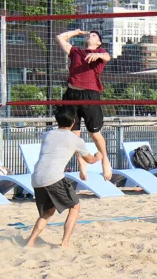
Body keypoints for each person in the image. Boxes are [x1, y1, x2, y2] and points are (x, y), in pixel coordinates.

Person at [25, 105, 102, 249]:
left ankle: (30, 243)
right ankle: (65, 243)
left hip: (36, 178)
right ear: (73, 121)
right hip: (54, 178)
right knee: (75, 207)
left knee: (48, 212)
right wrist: (99, 156)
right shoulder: (75, 139)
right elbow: (90, 160)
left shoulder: (47, 135)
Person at [56, 28, 112, 181]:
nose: (90, 36)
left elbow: (107, 57)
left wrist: (98, 54)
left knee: (94, 133)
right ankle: (81, 162)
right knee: (74, 134)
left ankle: (105, 160)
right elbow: (60, 37)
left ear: (98, 42)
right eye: (89, 34)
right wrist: (76, 32)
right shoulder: (76, 52)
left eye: (93, 35)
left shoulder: (101, 52)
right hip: (71, 94)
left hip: (89, 95)